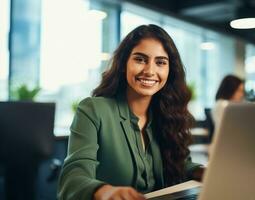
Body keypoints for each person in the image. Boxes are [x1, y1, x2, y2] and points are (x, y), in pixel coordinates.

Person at [57, 24, 204, 200]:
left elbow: (180, 163)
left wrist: (202, 172)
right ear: (123, 64)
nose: (150, 71)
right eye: (140, 59)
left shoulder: (167, 114)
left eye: (160, 62)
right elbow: (73, 178)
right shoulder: (93, 110)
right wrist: (105, 192)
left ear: (169, 70)